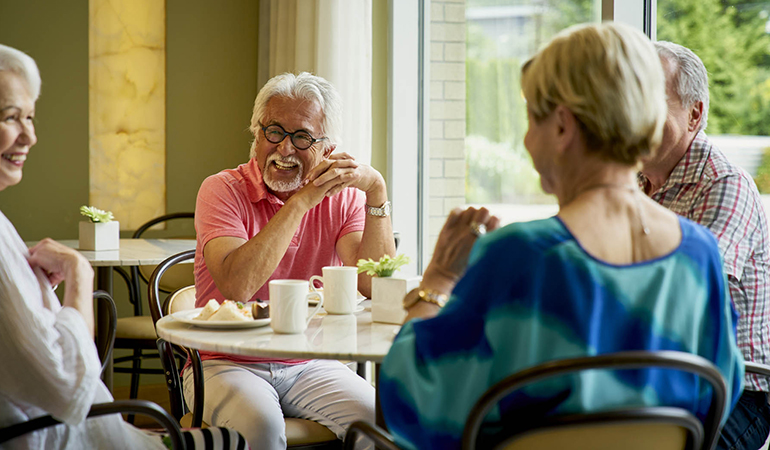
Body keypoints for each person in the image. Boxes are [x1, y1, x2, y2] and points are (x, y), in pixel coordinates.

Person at [378, 23, 744, 450]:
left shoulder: (520, 257)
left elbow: (411, 407)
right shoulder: (698, 255)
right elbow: (719, 392)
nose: (528, 139)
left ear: (563, 126)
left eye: (532, 118)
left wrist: (438, 280)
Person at [0, 43, 247, 449]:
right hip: (70, 438)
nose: (30, 134)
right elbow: (70, 393)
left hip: (100, 431)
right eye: (12, 117)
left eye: (30, 116)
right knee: (235, 442)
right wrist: (80, 275)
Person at [189, 72, 395, 448]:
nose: (284, 149)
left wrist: (376, 192)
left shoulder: (343, 199)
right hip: (223, 361)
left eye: (301, 137)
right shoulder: (220, 190)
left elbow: (374, 287)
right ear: (256, 134)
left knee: (381, 422)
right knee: (262, 427)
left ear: (327, 148)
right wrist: (300, 202)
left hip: (309, 359)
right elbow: (239, 285)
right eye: (273, 132)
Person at [639, 41, 770, 450]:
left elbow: (691, 293)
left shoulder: (723, 183)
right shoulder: (633, 184)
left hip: (734, 391)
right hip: (659, 380)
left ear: (694, 113)